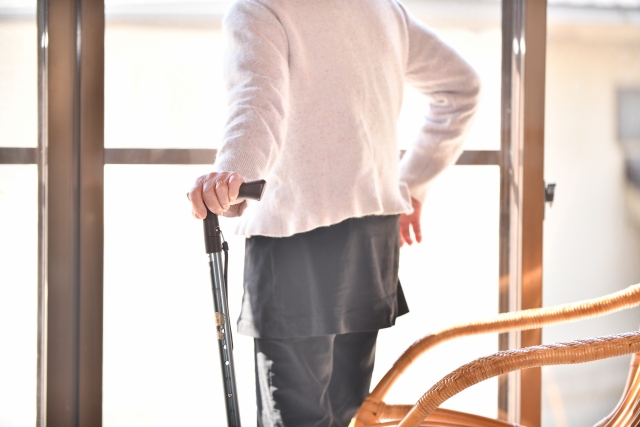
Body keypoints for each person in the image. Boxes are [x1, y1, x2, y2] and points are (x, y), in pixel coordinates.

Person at [188, 0, 480, 426]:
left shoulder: (261, 8)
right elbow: (463, 87)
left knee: (296, 419)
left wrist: (234, 177)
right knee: (346, 414)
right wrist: (412, 184)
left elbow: (258, 101)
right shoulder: (381, 8)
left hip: (295, 246)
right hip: (371, 245)